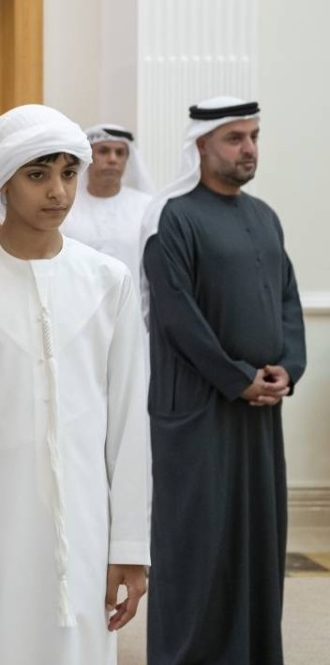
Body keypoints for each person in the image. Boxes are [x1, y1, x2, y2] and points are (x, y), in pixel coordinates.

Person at [0, 104, 151, 664]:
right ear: (4, 180)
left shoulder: (108, 281)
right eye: (38, 174)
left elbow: (128, 423)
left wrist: (129, 544)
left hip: (88, 525)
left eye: (69, 173)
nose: (58, 191)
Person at [142, 97, 305, 665]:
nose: (249, 149)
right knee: (198, 540)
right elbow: (176, 316)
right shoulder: (172, 217)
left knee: (257, 538)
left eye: (254, 137)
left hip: (259, 409)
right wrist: (237, 379)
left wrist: (288, 368)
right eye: (235, 138)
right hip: (196, 408)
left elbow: (288, 301)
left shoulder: (265, 217)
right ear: (201, 145)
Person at [60, 124, 154, 276]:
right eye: (103, 151)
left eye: (120, 153)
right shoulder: (64, 205)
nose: (112, 159)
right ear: (88, 157)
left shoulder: (146, 206)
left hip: (131, 291)